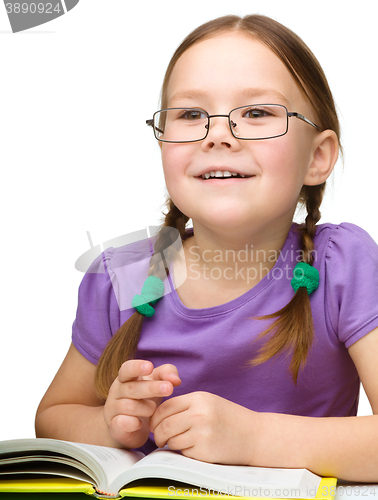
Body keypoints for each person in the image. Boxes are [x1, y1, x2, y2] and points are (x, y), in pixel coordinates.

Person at [35, 14, 378, 482]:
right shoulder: (125, 271)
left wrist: (253, 438)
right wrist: (112, 424)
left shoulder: (342, 263)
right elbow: (53, 415)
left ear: (317, 157)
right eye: (192, 114)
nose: (218, 134)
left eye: (257, 113)